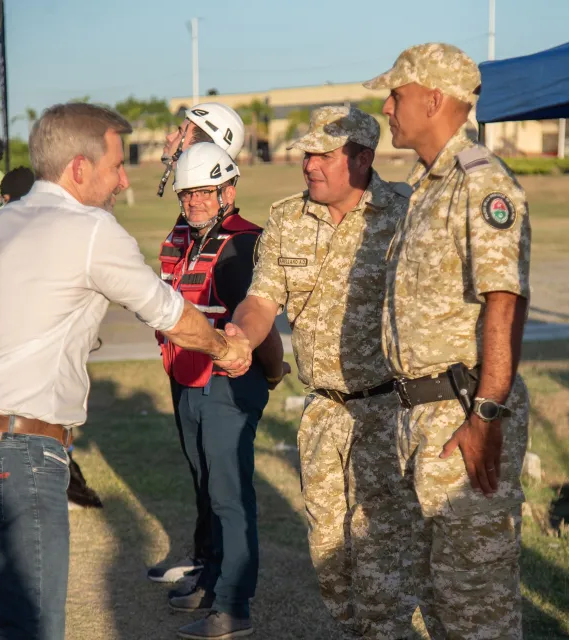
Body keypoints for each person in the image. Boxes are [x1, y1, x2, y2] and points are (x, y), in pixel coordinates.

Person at [0, 102, 252, 640]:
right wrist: (225, 348)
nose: (123, 180)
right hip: (25, 451)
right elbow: (168, 313)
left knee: (7, 613)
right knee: (33, 623)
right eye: (116, 166)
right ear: (79, 167)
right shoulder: (92, 229)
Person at [228, 106, 421, 638]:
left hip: (387, 410)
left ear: (362, 158)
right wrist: (241, 335)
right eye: (306, 154)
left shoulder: (405, 213)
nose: (309, 164)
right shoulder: (288, 219)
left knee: (381, 558)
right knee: (330, 559)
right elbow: (261, 300)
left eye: (322, 154)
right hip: (323, 414)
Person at [363, 43, 533, 638]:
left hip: (463, 412)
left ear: (434, 100)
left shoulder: (479, 183)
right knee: (440, 598)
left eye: (396, 94)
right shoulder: (427, 187)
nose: (387, 107)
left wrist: (487, 413)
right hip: (420, 414)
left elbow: (504, 301)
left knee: (475, 602)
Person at [156, 142, 286, 639]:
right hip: (189, 381)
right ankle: (211, 581)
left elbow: (261, 325)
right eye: (187, 193)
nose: (194, 201)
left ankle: (234, 606)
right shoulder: (187, 238)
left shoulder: (242, 244)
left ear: (228, 191)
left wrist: (270, 373)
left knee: (229, 496)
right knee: (207, 488)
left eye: (204, 192)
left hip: (228, 384)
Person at [148, 100, 250, 587]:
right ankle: (206, 558)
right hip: (184, 365)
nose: (172, 139)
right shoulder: (190, 220)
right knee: (200, 471)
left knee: (219, 479)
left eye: (181, 132)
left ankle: (220, 576)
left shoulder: (235, 236)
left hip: (217, 372)